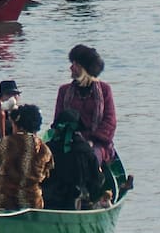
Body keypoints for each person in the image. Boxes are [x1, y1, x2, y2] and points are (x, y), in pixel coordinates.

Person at [48, 44, 118, 210]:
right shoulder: (64, 91)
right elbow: (58, 119)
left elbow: (110, 121)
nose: (71, 67)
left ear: (84, 68)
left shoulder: (104, 90)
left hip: (97, 143)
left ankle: (90, 195)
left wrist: (93, 141)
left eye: (75, 64)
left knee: (89, 157)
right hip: (68, 140)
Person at [0, 104, 52, 212]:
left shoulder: (2, 143)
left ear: (17, 125)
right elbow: (46, 175)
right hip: (32, 204)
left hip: (2, 203)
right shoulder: (44, 149)